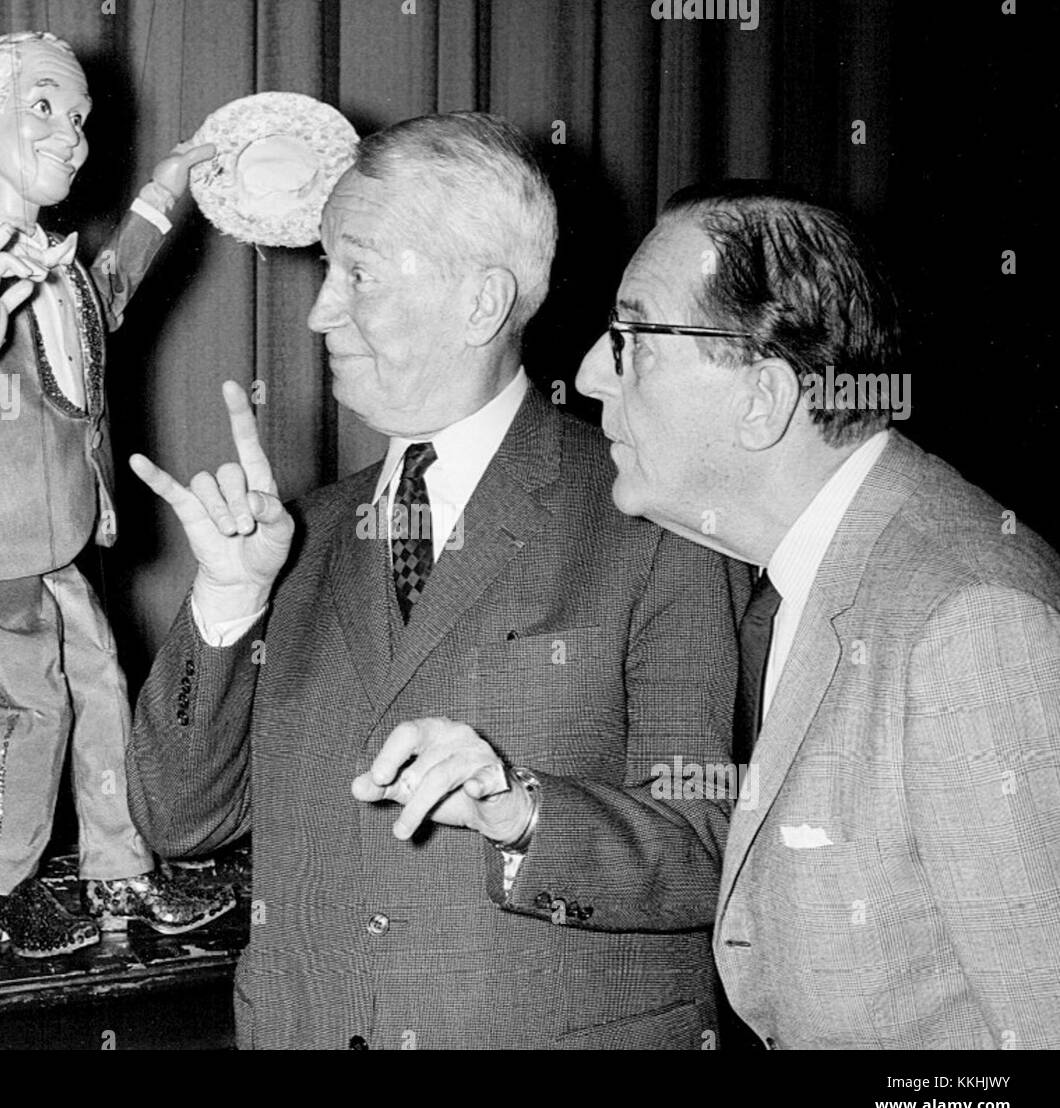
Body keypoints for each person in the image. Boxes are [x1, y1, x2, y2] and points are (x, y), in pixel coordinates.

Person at [125, 112, 749, 1049]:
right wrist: (229, 599)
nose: (319, 310)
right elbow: (178, 819)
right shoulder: (303, 536)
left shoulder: (652, 524)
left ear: (480, 304)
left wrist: (520, 806)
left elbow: (706, 851)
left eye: (359, 274)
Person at [574, 179, 1060, 1048]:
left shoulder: (969, 622)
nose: (588, 376)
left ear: (761, 399)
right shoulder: (803, 584)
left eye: (633, 338)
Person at [0, 31, 234, 958]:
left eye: (77, 118)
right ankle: (5, 886)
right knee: (25, 713)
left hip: (55, 537)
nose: (69, 134)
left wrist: (166, 191)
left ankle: (119, 872)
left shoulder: (60, 262)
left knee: (102, 690)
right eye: (42, 107)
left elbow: (109, 293)